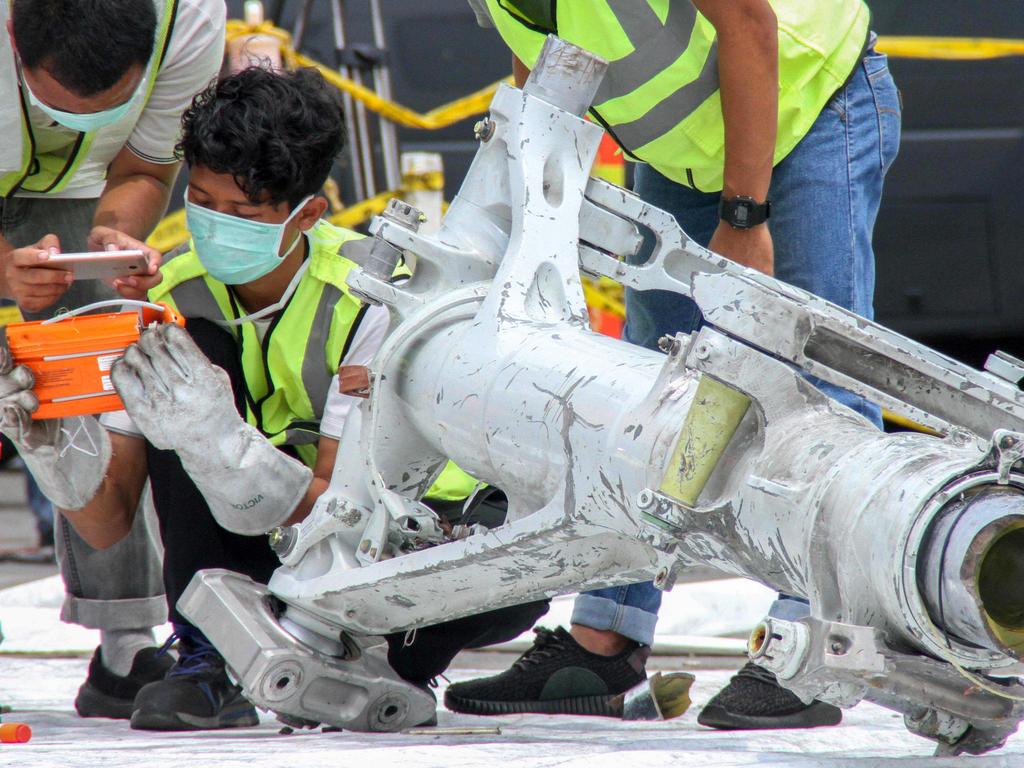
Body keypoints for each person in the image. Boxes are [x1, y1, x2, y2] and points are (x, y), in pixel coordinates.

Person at [0, 65, 548, 731]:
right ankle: (209, 657)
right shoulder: (173, 295)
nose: (214, 223)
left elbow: (342, 511)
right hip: (276, 541)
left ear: (307, 213)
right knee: (181, 362)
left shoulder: (377, 297)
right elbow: (110, 522)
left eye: (241, 212)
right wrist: (54, 448)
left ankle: (378, 658)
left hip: (408, 539)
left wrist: (220, 442)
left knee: (500, 584)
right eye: (200, 201)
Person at [449, 0, 901, 730]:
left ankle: (820, 643)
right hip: (684, 155)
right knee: (653, 391)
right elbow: (540, 63)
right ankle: (605, 640)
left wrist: (745, 215)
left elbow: (749, 24)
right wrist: (529, 213)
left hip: (807, 109)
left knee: (821, 383)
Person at [0, 0, 226, 719]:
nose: (77, 122)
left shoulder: (188, 16)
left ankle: (125, 640)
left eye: (104, 107)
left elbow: (145, 165)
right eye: (62, 107)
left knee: (99, 371)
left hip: (81, 190)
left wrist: (114, 236)